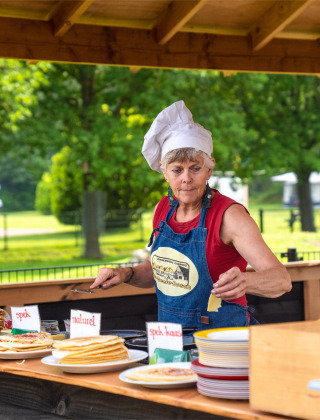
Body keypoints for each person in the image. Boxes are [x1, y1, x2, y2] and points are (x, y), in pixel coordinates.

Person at [91, 100, 292, 329]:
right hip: (170, 340)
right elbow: (160, 271)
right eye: (177, 170)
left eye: (195, 168)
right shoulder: (163, 210)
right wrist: (125, 273)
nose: (186, 178)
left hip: (224, 340)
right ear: (164, 172)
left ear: (209, 168)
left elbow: (281, 280)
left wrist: (246, 281)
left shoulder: (230, 216)